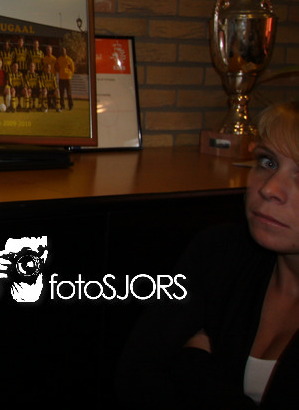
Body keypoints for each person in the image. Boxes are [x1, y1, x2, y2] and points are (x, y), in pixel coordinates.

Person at [116, 100, 299, 409]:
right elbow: (136, 378)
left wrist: (194, 365)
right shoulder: (219, 252)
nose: (270, 189)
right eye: (268, 162)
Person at [56, 47, 75, 111]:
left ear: (66, 52)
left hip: (67, 78)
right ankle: (62, 105)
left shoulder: (69, 59)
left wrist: (70, 75)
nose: (63, 52)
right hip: (61, 78)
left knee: (69, 93)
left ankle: (71, 106)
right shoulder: (59, 59)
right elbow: (57, 67)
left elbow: (72, 69)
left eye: (64, 51)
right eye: (62, 51)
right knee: (61, 93)